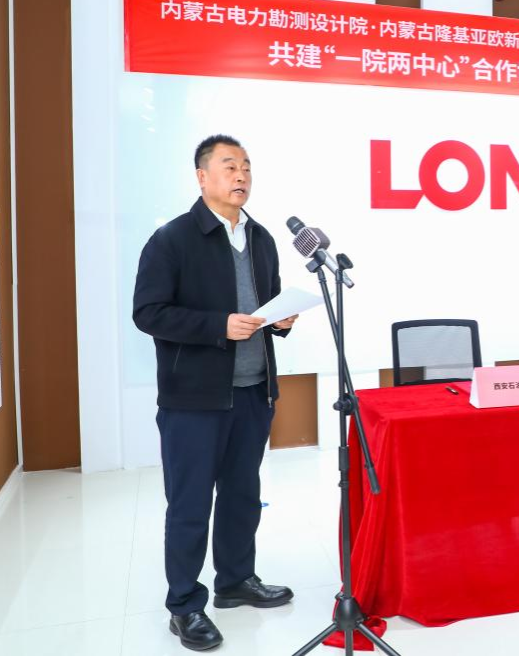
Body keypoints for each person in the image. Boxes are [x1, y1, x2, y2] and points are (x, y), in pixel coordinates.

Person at [134, 134, 299, 651]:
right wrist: (216, 326)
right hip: (194, 401)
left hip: (253, 392)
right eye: (229, 166)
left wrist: (282, 320)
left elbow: (266, 303)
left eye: (246, 166)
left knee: (243, 495)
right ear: (202, 177)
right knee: (189, 504)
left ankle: (235, 580)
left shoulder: (262, 238)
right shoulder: (173, 239)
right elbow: (148, 313)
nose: (241, 175)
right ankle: (184, 604)